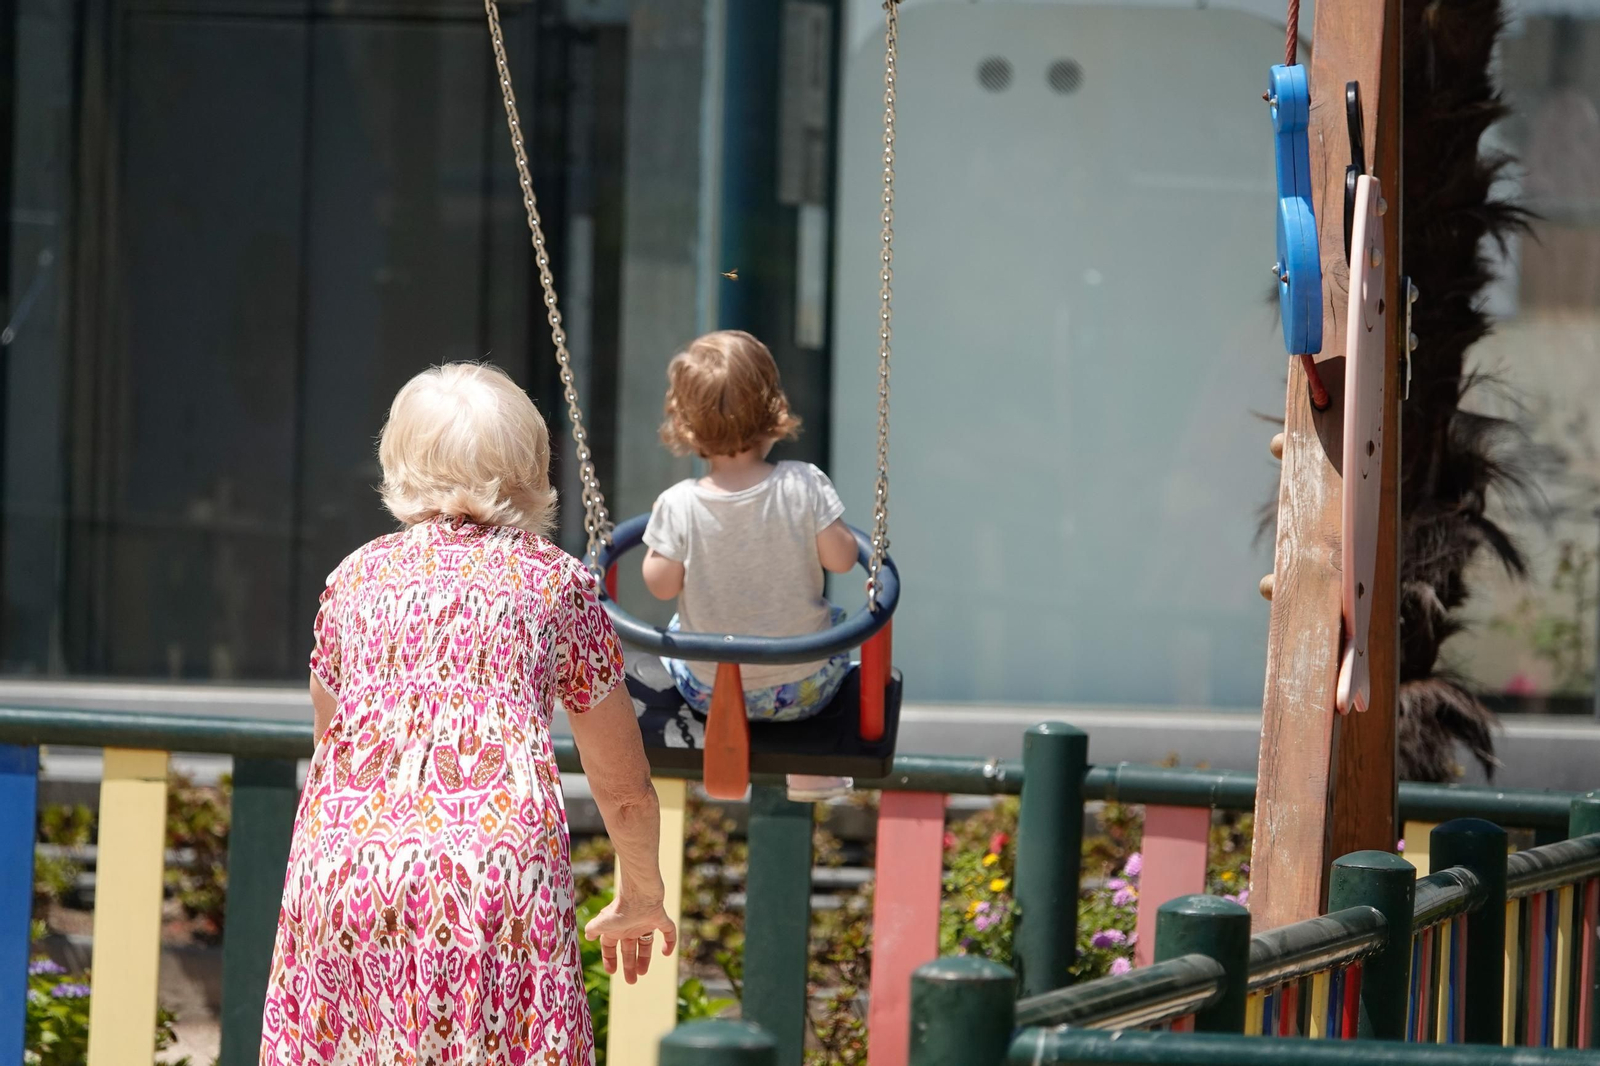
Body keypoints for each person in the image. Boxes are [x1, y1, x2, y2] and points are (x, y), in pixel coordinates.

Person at [261, 363, 674, 1066]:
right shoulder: (555, 583)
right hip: (490, 879)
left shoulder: (353, 577)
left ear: (400, 460)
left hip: (346, 872)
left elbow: (332, 747)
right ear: (532, 466)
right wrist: (642, 890)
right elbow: (624, 785)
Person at [641, 330, 858, 802]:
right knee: (832, 627)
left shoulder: (678, 504)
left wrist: (662, 547)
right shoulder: (803, 484)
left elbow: (660, 586)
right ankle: (811, 774)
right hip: (805, 686)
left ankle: (716, 768)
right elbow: (842, 558)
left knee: (680, 629)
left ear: (685, 422)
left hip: (711, 692)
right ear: (773, 408)